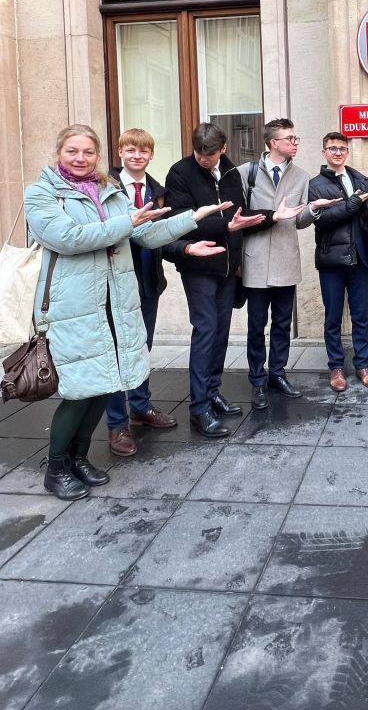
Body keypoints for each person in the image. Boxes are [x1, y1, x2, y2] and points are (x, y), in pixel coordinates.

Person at [24, 124, 228, 500]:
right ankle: (56, 468)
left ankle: (79, 458)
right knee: (78, 390)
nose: (81, 158)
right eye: (72, 151)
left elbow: (144, 233)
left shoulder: (110, 191)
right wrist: (125, 223)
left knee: (105, 384)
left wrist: (192, 222)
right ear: (59, 152)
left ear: (98, 155)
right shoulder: (42, 194)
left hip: (114, 302)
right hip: (73, 307)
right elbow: (67, 239)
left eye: (88, 152)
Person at [164, 123, 303, 438]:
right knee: (205, 331)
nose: (204, 158)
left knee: (221, 333)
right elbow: (182, 221)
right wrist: (226, 226)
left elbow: (240, 216)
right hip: (198, 265)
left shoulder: (230, 173)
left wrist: (272, 216)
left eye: (211, 153)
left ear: (223, 149)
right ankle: (199, 409)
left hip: (227, 268)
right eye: (199, 152)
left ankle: (213, 392)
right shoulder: (180, 173)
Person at [238, 119, 341, 411]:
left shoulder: (301, 176)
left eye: (296, 139)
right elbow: (238, 215)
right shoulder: (247, 173)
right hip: (256, 260)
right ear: (274, 143)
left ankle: (278, 374)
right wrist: (270, 215)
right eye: (290, 139)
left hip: (286, 259)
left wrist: (313, 209)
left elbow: (299, 221)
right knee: (256, 325)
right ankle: (257, 380)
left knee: (282, 323)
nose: (295, 143)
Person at [308, 132, 368, 391]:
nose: (337, 152)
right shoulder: (315, 185)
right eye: (332, 148)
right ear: (324, 152)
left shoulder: (360, 179)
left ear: (347, 152)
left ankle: (362, 365)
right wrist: (351, 204)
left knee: (361, 316)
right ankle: (336, 368)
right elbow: (323, 220)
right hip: (332, 261)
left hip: (360, 258)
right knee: (333, 317)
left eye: (342, 148)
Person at [105, 129, 178, 456]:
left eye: (143, 151)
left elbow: (162, 235)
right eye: (131, 150)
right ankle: (116, 423)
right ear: (121, 152)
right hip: (115, 284)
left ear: (151, 155)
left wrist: (186, 249)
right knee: (116, 353)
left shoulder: (158, 192)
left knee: (141, 348)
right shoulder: (106, 188)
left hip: (148, 282)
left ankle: (140, 406)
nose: (137, 156)